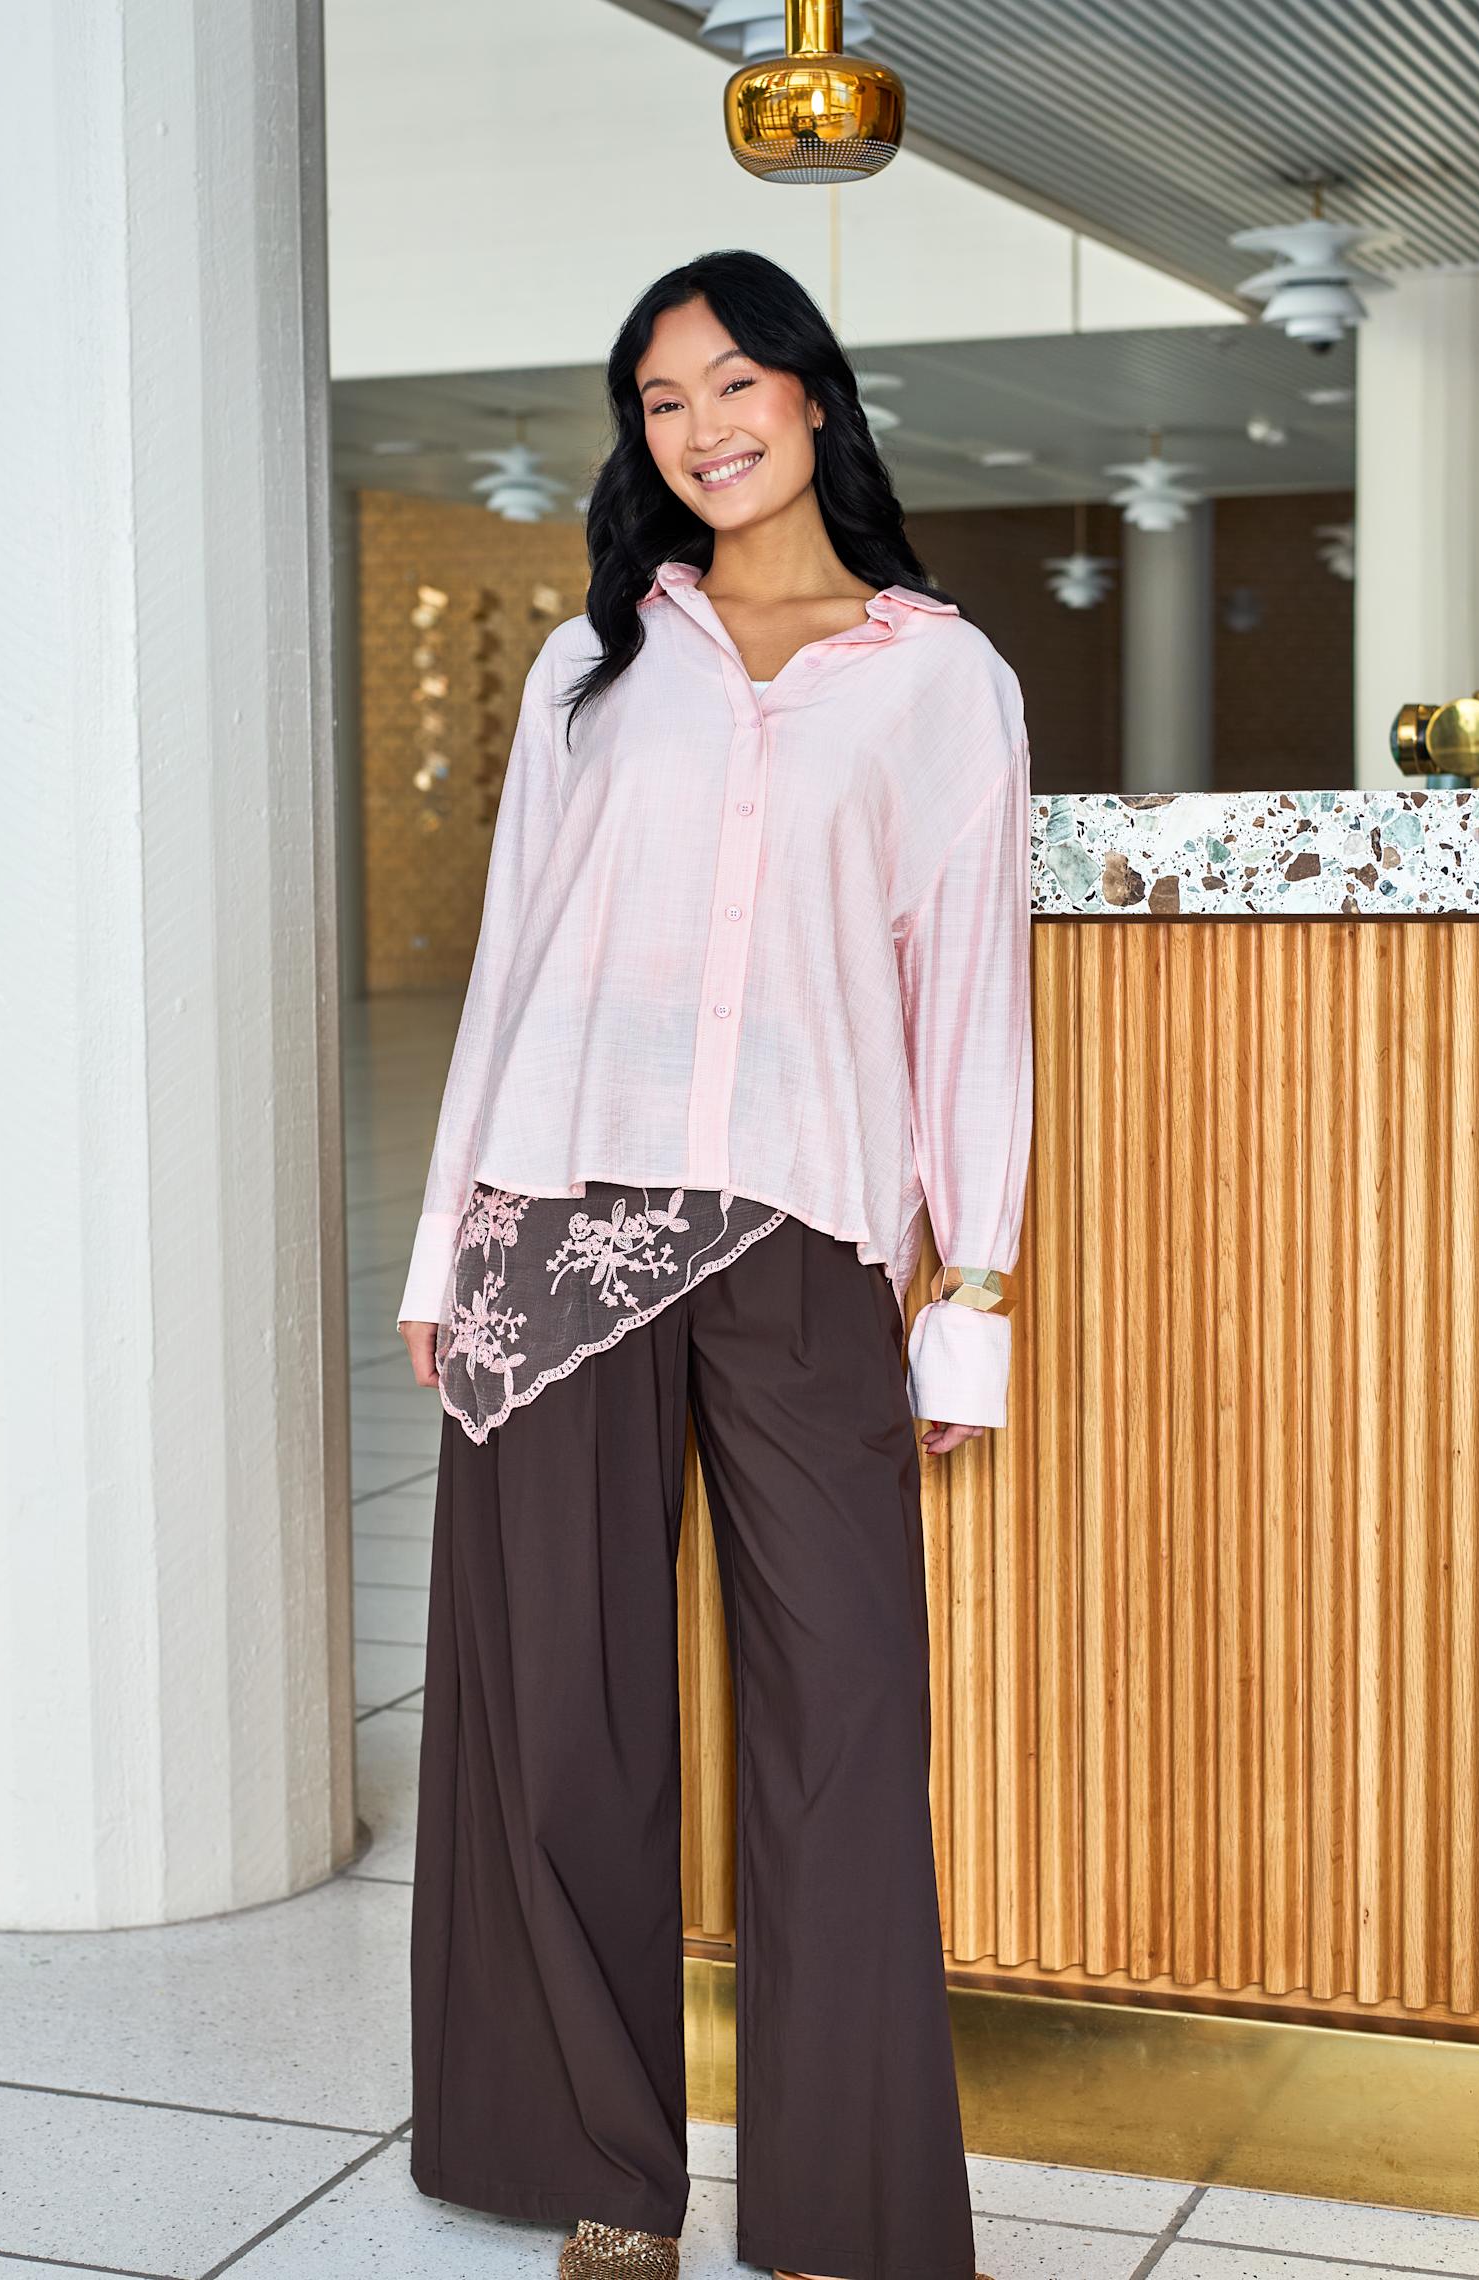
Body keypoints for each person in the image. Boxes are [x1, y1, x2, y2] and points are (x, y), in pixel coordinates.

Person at [396, 247, 1031, 2280]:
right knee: (563, 1719)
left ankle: (843, 2205)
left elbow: (971, 1002)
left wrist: (973, 1295)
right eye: (661, 400)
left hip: (799, 1227)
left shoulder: (940, 680)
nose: (700, 427)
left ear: (813, 397)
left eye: (734, 382)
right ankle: (606, 2170)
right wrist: (441, 1245)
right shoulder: (591, 668)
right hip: (555, 1217)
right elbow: (510, 960)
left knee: (844, 1713)